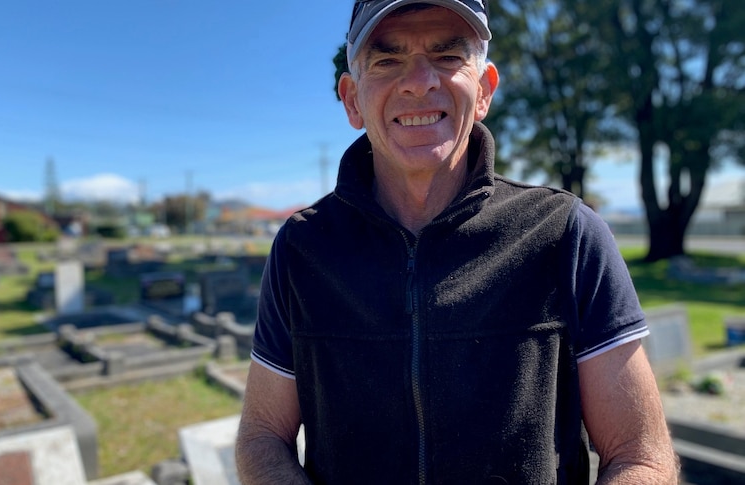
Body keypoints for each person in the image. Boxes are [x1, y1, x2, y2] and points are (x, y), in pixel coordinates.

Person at [236, 1, 679, 483]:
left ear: (485, 89)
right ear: (352, 100)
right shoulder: (303, 248)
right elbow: (262, 436)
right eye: (387, 60)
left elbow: (641, 454)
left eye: (448, 56)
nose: (420, 81)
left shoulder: (568, 235)